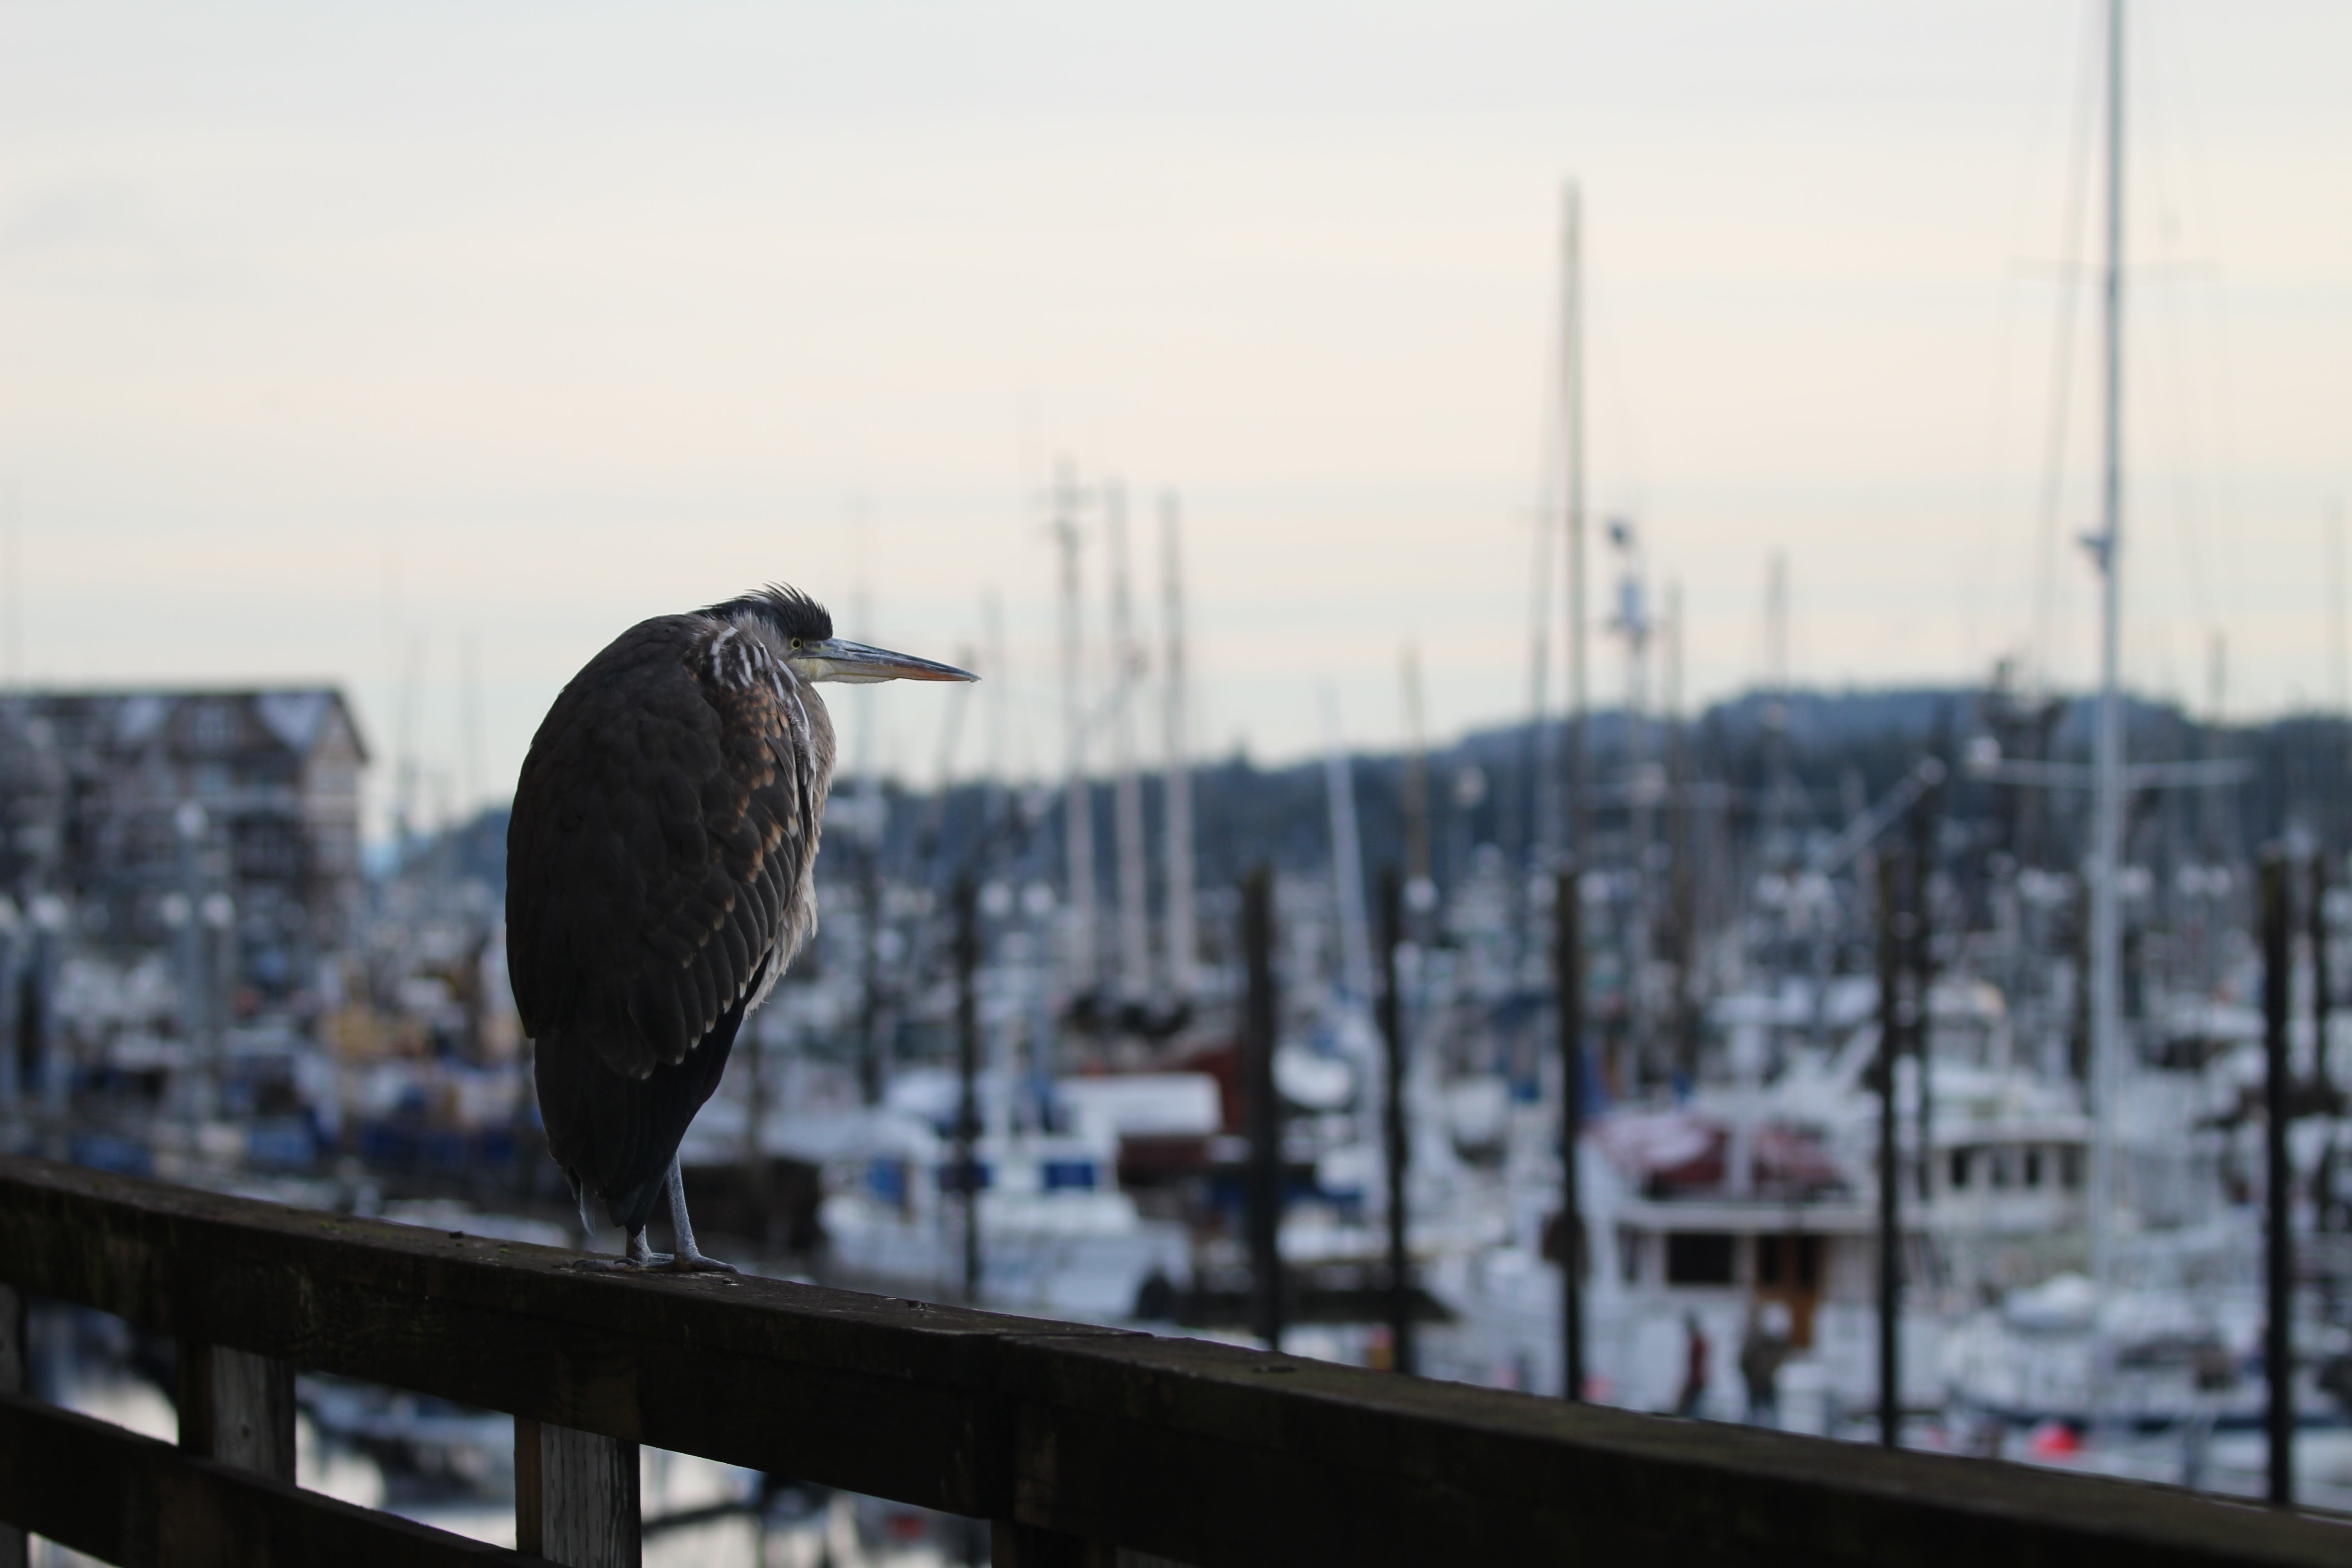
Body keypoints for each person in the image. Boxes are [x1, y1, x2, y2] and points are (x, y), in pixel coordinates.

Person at [1739, 1302, 1793, 1426]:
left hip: (1764, 1380)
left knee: (1765, 1413)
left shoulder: (1770, 1343)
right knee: (1756, 1413)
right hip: (1758, 1381)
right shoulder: (1759, 1341)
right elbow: (1746, 1361)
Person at [1674, 1313, 1710, 1417]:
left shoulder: (1698, 1343)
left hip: (1696, 1381)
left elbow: (1697, 1365)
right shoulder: (1698, 1342)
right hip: (1696, 1380)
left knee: (1691, 1411)